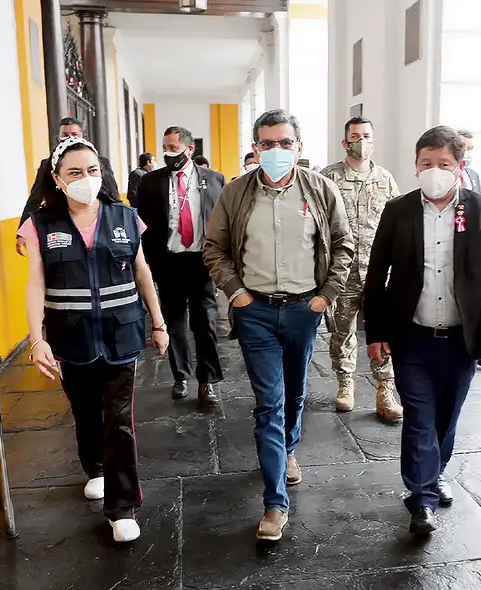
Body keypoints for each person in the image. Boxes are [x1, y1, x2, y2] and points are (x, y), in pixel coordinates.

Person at [203, 109, 353, 541]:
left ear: (298, 148)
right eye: (267, 144)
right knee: (269, 402)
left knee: (296, 388)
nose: (276, 151)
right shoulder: (235, 193)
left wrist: (326, 295)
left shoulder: (321, 190)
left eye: (285, 143)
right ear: (255, 148)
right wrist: (237, 293)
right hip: (256, 313)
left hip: (306, 309)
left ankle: (287, 449)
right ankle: (274, 505)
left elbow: (344, 244)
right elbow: (214, 248)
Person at [364, 126, 481, 536]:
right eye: (426, 164)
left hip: (461, 339)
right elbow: (376, 275)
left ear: (459, 167)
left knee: (446, 418)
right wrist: (375, 332)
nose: (434, 171)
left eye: (443, 164)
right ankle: (421, 498)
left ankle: (435, 472)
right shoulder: (398, 211)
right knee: (419, 418)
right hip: (411, 335)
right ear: (415, 167)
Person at [18, 136, 169, 543]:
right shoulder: (40, 225)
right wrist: (37, 340)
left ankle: (122, 508)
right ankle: (96, 469)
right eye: (74, 173)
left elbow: (143, 273)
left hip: (121, 334)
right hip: (70, 337)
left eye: (92, 171)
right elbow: (35, 283)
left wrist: (159, 322)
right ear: (57, 179)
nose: (85, 179)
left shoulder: (126, 217)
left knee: (119, 418)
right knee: (85, 410)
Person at [134, 126, 226, 406]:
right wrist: (149, 263)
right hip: (169, 261)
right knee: (173, 321)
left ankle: (207, 380)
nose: (167, 153)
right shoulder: (151, 182)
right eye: (165, 147)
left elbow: (221, 221)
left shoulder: (214, 180)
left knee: (206, 323)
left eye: (173, 148)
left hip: (201, 262)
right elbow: (145, 225)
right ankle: (180, 375)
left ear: (189, 150)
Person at [320, 116, 403, 422]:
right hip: (343, 272)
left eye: (367, 135)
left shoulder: (385, 178)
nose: (362, 141)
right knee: (343, 332)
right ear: (346, 142)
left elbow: (397, 222)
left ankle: (385, 391)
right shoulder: (328, 177)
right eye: (356, 136)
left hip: (379, 271)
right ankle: (345, 385)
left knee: (383, 332)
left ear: (374, 139)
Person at [16, 117, 119, 256]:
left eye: (74, 135)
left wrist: (119, 220)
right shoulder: (47, 165)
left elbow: (112, 193)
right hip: (60, 223)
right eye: (65, 135)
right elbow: (36, 197)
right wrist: (22, 232)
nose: (69, 138)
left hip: (96, 219)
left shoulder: (101, 162)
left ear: (83, 137)